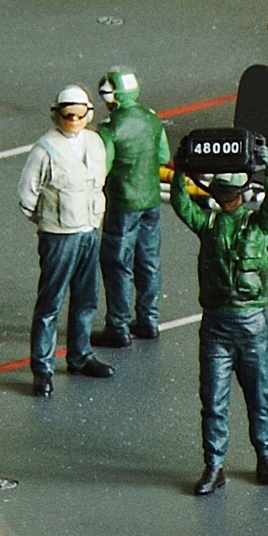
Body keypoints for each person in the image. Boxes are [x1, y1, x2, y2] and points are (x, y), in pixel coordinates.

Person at [171, 142, 268, 494]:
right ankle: (214, 465)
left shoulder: (257, 224)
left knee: (259, 397)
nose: (227, 197)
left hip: (250, 325)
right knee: (213, 400)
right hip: (218, 326)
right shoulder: (208, 224)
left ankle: (265, 456)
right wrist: (180, 169)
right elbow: (180, 203)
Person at [18, 84, 112, 394]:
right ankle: (42, 368)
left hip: (88, 230)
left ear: (88, 115)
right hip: (59, 236)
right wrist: (48, 222)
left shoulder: (95, 143)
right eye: (67, 114)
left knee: (86, 297)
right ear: (57, 114)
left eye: (78, 114)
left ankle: (80, 355)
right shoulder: (44, 150)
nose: (73, 119)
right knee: (50, 303)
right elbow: (27, 196)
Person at [96, 67, 169, 347]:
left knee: (117, 263)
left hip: (122, 202)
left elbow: (103, 168)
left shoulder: (110, 127)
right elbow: (163, 155)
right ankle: (149, 319)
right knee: (148, 261)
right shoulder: (151, 119)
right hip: (150, 200)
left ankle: (118, 325)